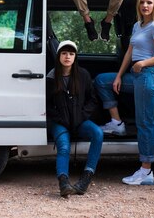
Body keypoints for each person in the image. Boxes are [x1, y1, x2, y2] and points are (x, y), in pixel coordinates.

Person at [94, 0, 154, 185]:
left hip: (148, 75)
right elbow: (130, 51)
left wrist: (143, 64)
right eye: (143, 2)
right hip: (134, 75)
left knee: (144, 123)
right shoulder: (138, 25)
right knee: (103, 80)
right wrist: (118, 76)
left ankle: (146, 171)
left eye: (149, 3)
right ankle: (117, 123)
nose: (145, 6)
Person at [46, 40, 104, 197]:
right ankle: (63, 183)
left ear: (75, 57)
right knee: (64, 147)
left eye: (71, 54)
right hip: (60, 122)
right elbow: (47, 105)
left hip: (80, 121)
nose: (67, 57)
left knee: (98, 133)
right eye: (64, 53)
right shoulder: (51, 78)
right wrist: (60, 119)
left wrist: (82, 115)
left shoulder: (83, 74)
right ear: (58, 56)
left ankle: (86, 178)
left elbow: (93, 100)